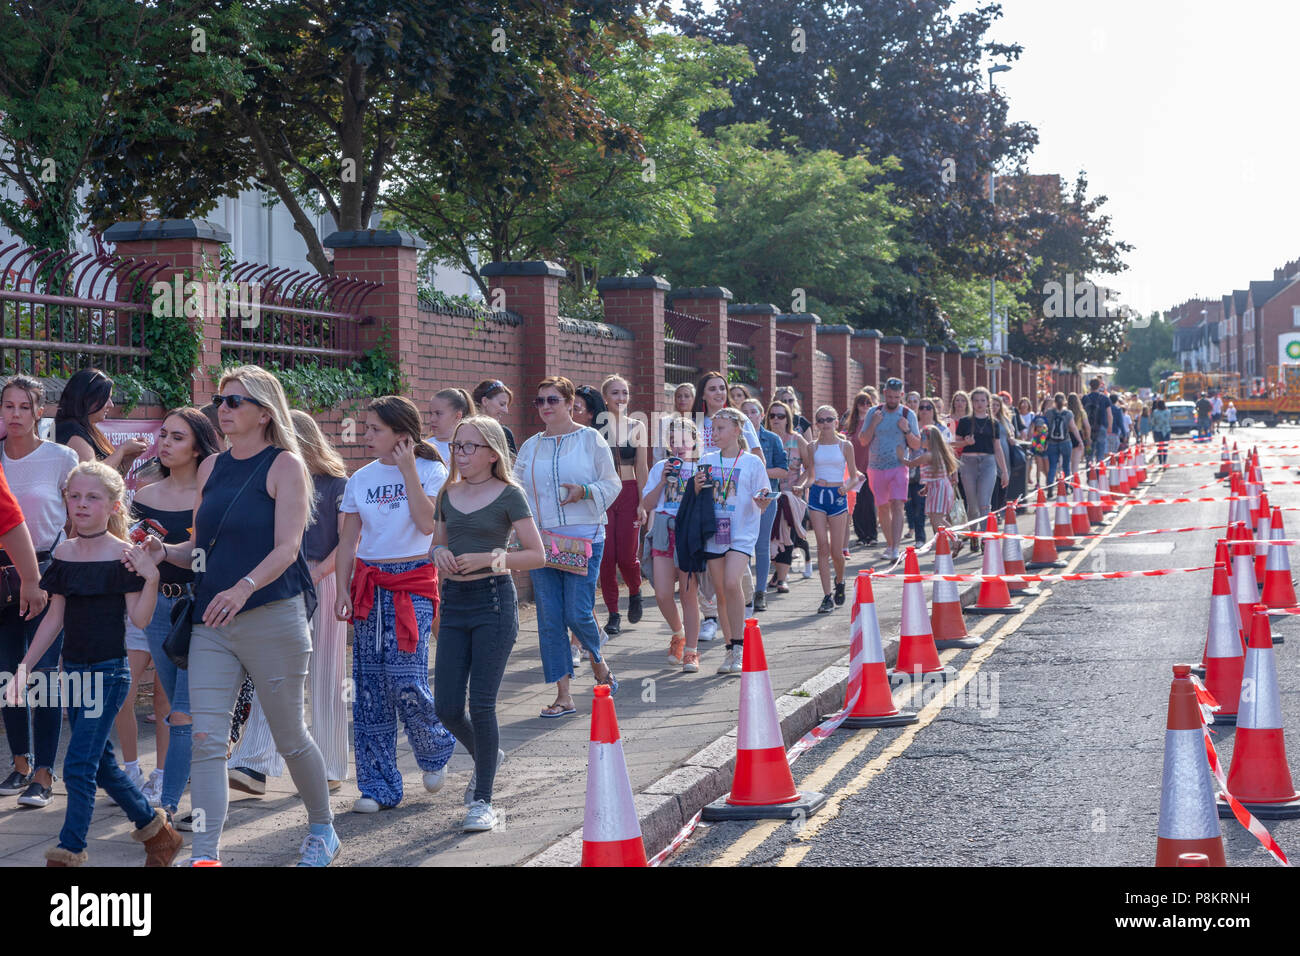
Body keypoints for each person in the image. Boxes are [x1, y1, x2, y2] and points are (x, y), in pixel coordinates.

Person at [148, 365, 336, 865]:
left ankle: (322, 827)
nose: (221, 410)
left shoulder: (285, 466)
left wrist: (243, 587)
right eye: (219, 400)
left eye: (233, 401)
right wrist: (161, 552)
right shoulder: (211, 469)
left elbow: (287, 547)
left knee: (290, 736)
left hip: (272, 616)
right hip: (213, 622)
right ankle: (206, 852)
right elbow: (201, 549)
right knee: (208, 742)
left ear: (263, 412)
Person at [5, 461, 181, 867]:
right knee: (101, 766)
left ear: (113, 506)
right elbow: (55, 617)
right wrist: (25, 667)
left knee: (80, 766)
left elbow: (139, 620)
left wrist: (152, 579)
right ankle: (158, 834)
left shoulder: (124, 557)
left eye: (92, 497)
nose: (81, 504)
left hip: (109, 674)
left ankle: (68, 851)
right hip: (74, 676)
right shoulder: (64, 553)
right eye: (74, 496)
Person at [334, 395, 455, 814]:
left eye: (375, 430)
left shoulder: (432, 469)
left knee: (405, 676)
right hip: (369, 582)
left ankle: (435, 745)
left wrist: (407, 472)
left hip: (414, 582)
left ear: (401, 435)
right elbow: (348, 541)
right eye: (366, 428)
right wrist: (343, 589)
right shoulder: (360, 478)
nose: (366, 436)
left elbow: (427, 524)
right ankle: (377, 787)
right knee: (369, 689)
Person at [226, 410, 353, 794]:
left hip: (323, 580)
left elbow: (348, 544)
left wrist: (315, 577)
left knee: (326, 673)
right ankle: (254, 762)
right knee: (274, 669)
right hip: (278, 580)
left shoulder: (336, 484)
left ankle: (329, 765)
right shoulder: (270, 480)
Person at [431, 415, 544, 832]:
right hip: (455, 603)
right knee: (445, 707)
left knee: (481, 704)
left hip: (494, 602)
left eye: (468, 447)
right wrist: (438, 555)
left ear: (492, 453)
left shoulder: (509, 495)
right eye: (457, 445)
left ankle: (483, 801)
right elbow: (436, 543)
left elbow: (537, 554)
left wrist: (488, 559)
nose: (459, 454)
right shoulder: (448, 492)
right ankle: (487, 755)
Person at [123, 407, 220, 827]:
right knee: (175, 709)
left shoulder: (212, 491)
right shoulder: (144, 495)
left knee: (181, 710)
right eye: (163, 434)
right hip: (159, 606)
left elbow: (205, 555)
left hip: (200, 607)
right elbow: (133, 555)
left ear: (199, 447)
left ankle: (167, 806)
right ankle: (186, 790)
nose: (164, 443)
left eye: (177, 437)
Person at [514, 376, 622, 717]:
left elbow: (612, 483)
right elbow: (515, 490)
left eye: (553, 400)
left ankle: (599, 662)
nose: (545, 407)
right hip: (542, 542)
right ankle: (564, 696)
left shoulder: (590, 439)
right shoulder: (531, 446)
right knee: (549, 619)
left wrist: (585, 492)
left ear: (569, 401)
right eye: (540, 401)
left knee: (577, 612)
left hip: (584, 538)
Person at [0, 376, 75, 809]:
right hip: (0, 576)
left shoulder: (60, 457)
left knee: (44, 674)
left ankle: (46, 772)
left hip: (44, 572)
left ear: (39, 412)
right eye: (7, 406)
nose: (14, 414)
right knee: (8, 673)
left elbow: (87, 507)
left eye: (24, 407)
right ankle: (21, 762)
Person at [697, 408, 773, 673]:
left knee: (732, 582)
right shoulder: (706, 459)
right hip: (712, 532)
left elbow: (763, 499)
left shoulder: (752, 462)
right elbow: (696, 496)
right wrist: (695, 485)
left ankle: (740, 647)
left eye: (720, 429)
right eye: (713, 429)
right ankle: (729, 650)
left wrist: (762, 499)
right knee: (720, 590)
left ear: (736, 431)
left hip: (741, 533)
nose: (714, 434)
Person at [692, 372, 764, 640]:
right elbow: (689, 463)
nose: (719, 393)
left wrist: (760, 494)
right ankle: (714, 622)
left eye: (723, 388)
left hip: (740, 516)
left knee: (734, 578)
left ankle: (742, 624)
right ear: (703, 394)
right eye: (713, 388)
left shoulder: (739, 422)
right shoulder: (696, 425)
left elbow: (756, 459)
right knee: (718, 585)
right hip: (711, 518)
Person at [637, 417, 703, 671]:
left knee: (688, 594)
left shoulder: (701, 466)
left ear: (694, 441)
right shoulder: (660, 467)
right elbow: (649, 504)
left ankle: (692, 651)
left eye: (684, 441)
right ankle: (679, 632)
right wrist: (664, 480)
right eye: (673, 441)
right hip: (664, 528)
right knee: (663, 593)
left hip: (689, 532)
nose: (678, 446)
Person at [597, 375, 648, 636]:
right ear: (605, 397)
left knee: (627, 557)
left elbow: (642, 466)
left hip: (629, 493)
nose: (621, 398)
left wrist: (643, 502)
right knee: (606, 557)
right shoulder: (595, 429)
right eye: (615, 393)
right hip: (605, 494)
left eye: (624, 393)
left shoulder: (637, 426)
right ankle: (613, 613)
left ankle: (636, 592)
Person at [798, 406, 858, 612]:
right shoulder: (812, 447)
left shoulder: (845, 445)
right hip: (817, 496)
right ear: (816, 424)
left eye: (829, 419)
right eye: (820, 420)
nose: (825, 424)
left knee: (836, 551)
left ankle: (840, 581)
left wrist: (846, 487)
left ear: (836, 423)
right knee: (822, 546)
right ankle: (826, 597)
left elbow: (855, 475)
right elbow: (811, 474)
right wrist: (802, 486)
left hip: (838, 496)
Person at [856, 377, 921, 562]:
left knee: (898, 504)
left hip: (899, 466)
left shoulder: (908, 414)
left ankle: (895, 548)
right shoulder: (873, 412)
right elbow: (863, 440)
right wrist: (874, 424)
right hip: (876, 467)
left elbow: (916, 444)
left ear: (901, 395)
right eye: (890, 397)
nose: (893, 401)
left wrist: (907, 431)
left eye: (896, 397)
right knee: (883, 507)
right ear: (884, 394)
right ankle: (890, 544)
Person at [740, 398, 788, 612]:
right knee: (740, 547)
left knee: (761, 546)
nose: (749, 416)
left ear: (761, 415)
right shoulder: (735, 439)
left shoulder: (772, 439)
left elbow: (783, 471)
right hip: (740, 500)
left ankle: (760, 592)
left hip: (765, 499)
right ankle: (743, 592)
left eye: (753, 412)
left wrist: (756, 473)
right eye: (745, 413)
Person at [54, 368, 148, 472]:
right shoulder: (71, 430)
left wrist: (130, 456)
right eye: (106, 398)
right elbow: (93, 476)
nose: (111, 405)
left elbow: (113, 480)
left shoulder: (87, 428)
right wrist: (122, 450)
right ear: (87, 399)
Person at [954, 386, 1009, 548]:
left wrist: (1004, 471)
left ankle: (985, 538)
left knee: (985, 503)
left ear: (988, 403)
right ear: (972, 402)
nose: (979, 404)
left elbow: (998, 448)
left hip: (988, 463)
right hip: (968, 463)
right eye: (976, 400)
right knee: (972, 504)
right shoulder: (964, 422)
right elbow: (954, 445)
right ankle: (973, 535)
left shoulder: (993, 423)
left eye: (982, 400)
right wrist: (965, 442)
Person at [765, 400, 809, 592]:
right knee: (769, 538)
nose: (776, 419)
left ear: (788, 419)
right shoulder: (762, 440)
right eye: (772, 415)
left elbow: (810, 468)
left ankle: (782, 578)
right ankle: (777, 573)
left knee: (787, 535)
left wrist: (801, 484)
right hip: (767, 496)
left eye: (781, 416)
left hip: (790, 496)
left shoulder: (797, 439)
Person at [902, 426, 960, 549]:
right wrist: (927, 487)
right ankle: (952, 541)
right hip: (937, 487)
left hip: (939, 489)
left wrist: (899, 456)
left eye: (923, 437)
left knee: (936, 520)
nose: (921, 440)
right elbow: (934, 473)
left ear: (930, 440)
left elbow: (911, 464)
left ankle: (954, 541)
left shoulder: (928, 455)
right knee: (936, 519)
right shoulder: (935, 454)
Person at [844, 391, 877, 547]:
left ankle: (872, 535)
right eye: (861, 403)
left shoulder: (872, 422)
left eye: (868, 403)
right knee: (856, 502)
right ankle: (861, 535)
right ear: (856, 405)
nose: (865, 406)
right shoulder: (851, 422)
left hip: (870, 467)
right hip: (854, 468)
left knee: (869, 502)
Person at [427, 387, 476, 462]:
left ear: (457, 416)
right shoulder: (423, 448)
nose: (432, 419)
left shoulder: (471, 451)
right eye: (431, 413)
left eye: (438, 413)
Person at [1043, 392, 1081, 488]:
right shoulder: (1068, 413)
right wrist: (1080, 441)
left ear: (1054, 401)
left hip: (1052, 442)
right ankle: (1066, 486)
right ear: (1064, 401)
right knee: (1066, 465)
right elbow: (1073, 427)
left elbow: (1043, 422)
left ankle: (1050, 486)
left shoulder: (1049, 413)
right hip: (1065, 441)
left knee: (1052, 466)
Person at [472, 379, 516, 454]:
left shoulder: (505, 434)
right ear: (485, 401)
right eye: (502, 404)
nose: (506, 410)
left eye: (507, 405)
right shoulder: (465, 431)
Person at [1081, 378, 1112, 465]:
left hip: (1088, 428)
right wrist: (1110, 426)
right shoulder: (1105, 398)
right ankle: (1099, 475)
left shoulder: (1085, 398)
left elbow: (1081, 413)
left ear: (1089, 386)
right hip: (1102, 426)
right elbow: (1109, 414)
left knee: (1089, 453)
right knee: (1100, 452)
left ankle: (1089, 474)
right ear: (1099, 386)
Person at [1067, 392, 1089, 475]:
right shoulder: (1081, 412)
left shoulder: (1065, 412)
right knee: (1075, 464)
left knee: (1067, 462)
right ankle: (1074, 483)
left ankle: (1066, 481)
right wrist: (1088, 437)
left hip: (1067, 436)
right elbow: (1087, 426)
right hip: (1077, 435)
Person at [1151, 398, 1172, 466]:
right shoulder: (1168, 412)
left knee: (1159, 448)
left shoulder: (1155, 412)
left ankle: (1160, 462)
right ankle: (1164, 461)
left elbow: (1153, 422)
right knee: (1165, 448)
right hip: (1166, 431)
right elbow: (1169, 421)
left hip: (1157, 431)